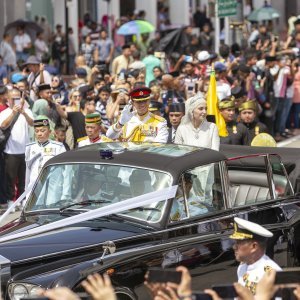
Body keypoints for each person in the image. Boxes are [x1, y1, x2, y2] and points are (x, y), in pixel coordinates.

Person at [230, 217, 282, 295]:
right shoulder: (242, 267)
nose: (234, 247)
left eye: (238, 242)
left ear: (254, 246)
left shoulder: (271, 273)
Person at [0, 89, 33, 208]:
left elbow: (32, 123)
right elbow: (3, 125)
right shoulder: (4, 113)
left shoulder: (27, 110)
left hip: (25, 150)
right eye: (13, 98)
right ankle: (10, 199)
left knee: (24, 177)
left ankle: (23, 198)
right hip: (10, 151)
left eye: (18, 98)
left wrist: (23, 112)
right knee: (10, 177)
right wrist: (14, 113)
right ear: (8, 99)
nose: (16, 101)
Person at [25, 116, 66, 189]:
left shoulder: (58, 147)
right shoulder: (30, 147)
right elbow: (28, 170)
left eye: (42, 130)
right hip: (33, 187)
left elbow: (64, 170)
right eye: (37, 131)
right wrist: (26, 189)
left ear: (49, 132)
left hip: (52, 187)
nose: (39, 134)